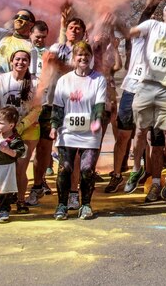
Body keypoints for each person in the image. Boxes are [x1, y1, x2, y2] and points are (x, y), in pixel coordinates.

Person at [120, 1, 166, 202]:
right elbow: (130, 32)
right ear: (163, 14)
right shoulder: (153, 25)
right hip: (146, 85)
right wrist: (116, 24)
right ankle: (136, 169)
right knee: (140, 131)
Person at [107, 0, 165, 195]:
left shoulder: (164, 43)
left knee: (152, 137)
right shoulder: (140, 37)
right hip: (132, 90)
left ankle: (151, 177)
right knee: (124, 135)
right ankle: (117, 175)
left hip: (154, 91)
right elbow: (145, 16)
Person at [28, 12, 85, 207]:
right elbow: (49, 65)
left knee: (73, 151)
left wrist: (58, 65)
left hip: (73, 106)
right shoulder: (55, 47)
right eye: (71, 27)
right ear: (66, 30)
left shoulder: (84, 51)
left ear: (83, 33)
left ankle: (73, 192)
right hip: (50, 103)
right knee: (43, 147)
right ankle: (37, 186)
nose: (74, 31)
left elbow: (79, 71)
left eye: (78, 28)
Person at [50, 41, 107, 221]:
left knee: (87, 168)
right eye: (79, 55)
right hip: (67, 132)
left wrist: (97, 120)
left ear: (91, 57)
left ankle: (86, 205)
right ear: (74, 58)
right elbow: (58, 107)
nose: (83, 58)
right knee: (65, 167)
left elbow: (99, 105)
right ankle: (62, 205)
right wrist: (54, 127)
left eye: (86, 55)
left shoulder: (98, 79)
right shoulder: (64, 80)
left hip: (90, 133)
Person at [0, 49, 37, 214]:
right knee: (3, 166)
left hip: (28, 130)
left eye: (24, 60)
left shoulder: (35, 82)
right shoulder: (1, 79)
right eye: (17, 59)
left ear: (29, 63)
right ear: (11, 61)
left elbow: (38, 108)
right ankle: (1, 201)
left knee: (20, 168)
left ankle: (20, 200)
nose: (20, 62)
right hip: (5, 131)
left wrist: (21, 125)